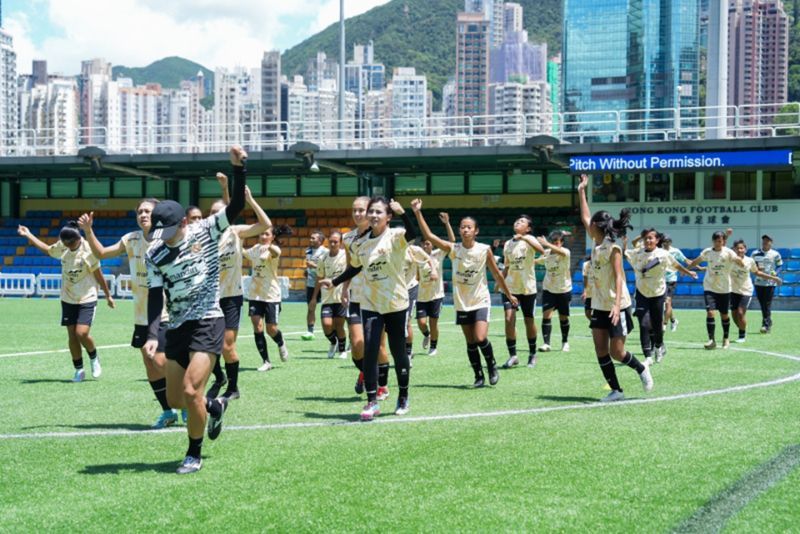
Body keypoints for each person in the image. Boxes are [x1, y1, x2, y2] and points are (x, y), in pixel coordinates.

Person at [143, 146, 247, 474]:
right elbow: (156, 295)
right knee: (177, 399)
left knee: (191, 390)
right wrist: (150, 333)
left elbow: (238, 206)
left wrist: (239, 168)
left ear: (185, 222)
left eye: (169, 231)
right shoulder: (155, 254)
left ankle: (193, 453)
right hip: (177, 325)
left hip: (208, 319)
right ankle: (215, 407)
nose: (163, 238)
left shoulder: (208, 230)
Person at [78, 200, 179, 428]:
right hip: (141, 315)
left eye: (148, 211)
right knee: (149, 363)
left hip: (165, 312)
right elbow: (102, 253)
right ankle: (167, 411)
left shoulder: (167, 239)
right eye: (140, 211)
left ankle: (186, 401)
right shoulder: (131, 239)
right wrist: (88, 230)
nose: (143, 214)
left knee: (160, 361)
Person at [321, 197, 417, 420]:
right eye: (371, 212)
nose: (373, 215)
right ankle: (372, 401)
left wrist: (404, 213)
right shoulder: (361, 244)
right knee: (370, 351)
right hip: (370, 303)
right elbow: (354, 268)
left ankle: (403, 395)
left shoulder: (395, 236)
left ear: (388, 217)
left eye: (379, 212)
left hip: (395, 303)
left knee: (398, 352)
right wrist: (334, 282)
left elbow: (414, 234)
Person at [411, 198, 518, 388]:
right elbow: (429, 234)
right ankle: (478, 375)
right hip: (462, 302)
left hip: (480, 300)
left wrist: (509, 295)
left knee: (480, 338)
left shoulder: (484, 250)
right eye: (462, 227)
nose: (465, 230)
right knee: (470, 342)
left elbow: (497, 274)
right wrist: (418, 212)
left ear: (476, 231)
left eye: (469, 227)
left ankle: (491, 365)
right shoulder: (454, 249)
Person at [577, 174, 653, 403]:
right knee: (600, 349)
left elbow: (620, 277)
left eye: (591, 226)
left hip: (616, 305)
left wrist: (617, 305)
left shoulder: (614, 249)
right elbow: (585, 217)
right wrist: (581, 190)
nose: (588, 227)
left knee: (616, 352)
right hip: (599, 305)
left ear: (598, 228)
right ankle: (616, 390)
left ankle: (641, 368)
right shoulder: (596, 243)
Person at [18, 221, 115, 382]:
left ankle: (94, 357)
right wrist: (28, 234)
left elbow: (99, 274)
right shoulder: (62, 246)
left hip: (87, 297)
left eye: (71, 242)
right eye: (66, 243)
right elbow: (47, 249)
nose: (68, 245)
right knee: (72, 335)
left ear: (79, 238)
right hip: (68, 297)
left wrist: (108, 295)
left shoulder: (88, 251)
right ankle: (79, 370)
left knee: (81, 333)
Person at [205, 174, 273, 400]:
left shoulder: (235, 232)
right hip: (208, 298)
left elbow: (265, 225)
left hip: (231, 297)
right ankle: (219, 377)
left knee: (226, 346)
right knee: (205, 346)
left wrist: (251, 201)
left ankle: (232, 387)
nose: (216, 215)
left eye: (219, 212)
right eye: (212, 213)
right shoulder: (203, 236)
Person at [341, 197, 392, 398]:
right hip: (356, 298)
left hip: (377, 298)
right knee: (357, 345)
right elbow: (350, 266)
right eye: (354, 210)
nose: (358, 214)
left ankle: (383, 386)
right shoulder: (348, 239)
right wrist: (344, 288)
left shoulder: (382, 236)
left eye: (362, 210)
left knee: (378, 346)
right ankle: (365, 371)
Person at [624, 229, 697, 364]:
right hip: (641, 293)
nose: (648, 241)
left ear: (657, 240)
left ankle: (659, 346)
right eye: (646, 238)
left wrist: (688, 273)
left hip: (658, 293)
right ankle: (647, 357)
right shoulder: (637, 253)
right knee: (644, 323)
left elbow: (676, 265)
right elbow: (625, 254)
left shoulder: (663, 254)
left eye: (651, 238)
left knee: (657, 325)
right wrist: (624, 244)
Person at [500, 215, 546, 369]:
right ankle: (513, 355)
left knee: (529, 321)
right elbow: (506, 266)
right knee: (509, 319)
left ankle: (532, 353)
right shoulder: (507, 244)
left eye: (522, 222)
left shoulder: (530, 240)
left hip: (527, 288)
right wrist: (501, 280)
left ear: (528, 228)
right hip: (510, 288)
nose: (517, 222)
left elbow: (541, 251)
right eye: (516, 220)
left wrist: (524, 238)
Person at [687, 230, 745, 350]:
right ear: (713, 241)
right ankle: (711, 340)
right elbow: (696, 261)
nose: (718, 243)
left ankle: (725, 338)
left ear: (723, 241)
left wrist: (739, 261)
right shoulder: (707, 252)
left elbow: (739, 261)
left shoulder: (728, 252)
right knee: (710, 312)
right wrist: (686, 270)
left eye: (721, 241)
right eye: (716, 241)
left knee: (724, 315)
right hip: (709, 286)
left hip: (724, 288)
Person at [246, 226, 292, 371]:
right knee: (257, 326)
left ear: (272, 237)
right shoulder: (255, 248)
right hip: (255, 294)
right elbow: (244, 253)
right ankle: (266, 361)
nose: (263, 236)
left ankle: (280, 342)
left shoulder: (274, 250)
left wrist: (270, 245)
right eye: (261, 234)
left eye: (266, 234)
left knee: (271, 329)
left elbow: (275, 252)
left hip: (271, 295)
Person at [730, 239, 782, 343]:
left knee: (740, 313)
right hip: (732, 290)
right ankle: (742, 326)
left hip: (746, 290)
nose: (740, 250)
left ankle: (742, 336)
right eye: (737, 248)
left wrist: (774, 278)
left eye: (742, 248)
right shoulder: (730, 260)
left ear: (745, 249)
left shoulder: (750, 260)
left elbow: (757, 272)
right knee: (734, 315)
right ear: (734, 249)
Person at [313, 231, 349, 359]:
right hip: (327, 297)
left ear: (340, 243)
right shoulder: (323, 258)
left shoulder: (346, 256)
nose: (333, 244)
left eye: (336, 242)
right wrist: (314, 297)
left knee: (339, 325)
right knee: (327, 325)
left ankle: (342, 350)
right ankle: (333, 342)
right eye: (331, 241)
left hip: (341, 297)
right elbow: (319, 276)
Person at [536, 231, 573, 352]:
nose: (555, 245)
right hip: (549, 289)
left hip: (564, 289)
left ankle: (565, 342)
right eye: (553, 242)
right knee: (546, 315)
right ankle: (546, 344)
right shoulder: (546, 253)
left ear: (561, 243)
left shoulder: (565, 252)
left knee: (563, 317)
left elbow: (561, 251)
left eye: (558, 242)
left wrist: (546, 243)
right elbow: (537, 261)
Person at [403, 241, 435, 364]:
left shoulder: (414, 250)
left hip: (410, 288)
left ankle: (408, 353)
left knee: (406, 322)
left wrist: (434, 271)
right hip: (394, 290)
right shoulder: (389, 248)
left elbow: (429, 259)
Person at [416, 238, 445, 356]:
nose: (425, 246)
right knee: (421, 322)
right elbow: (416, 276)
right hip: (421, 296)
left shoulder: (438, 254)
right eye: (423, 244)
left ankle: (433, 347)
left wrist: (447, 223)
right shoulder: (418, 257)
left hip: (436, 295)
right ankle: (427, 335)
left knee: (433, 323)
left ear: (432, 245)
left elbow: (452, 240)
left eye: (427, 244)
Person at [751, 235, 783, 334]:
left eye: (767, 241)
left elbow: (780, 265)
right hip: (758, 282)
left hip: (770, 283)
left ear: (771, 242)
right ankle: (768, 321)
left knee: (767, 304)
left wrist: (776, 273)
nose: (765, 242)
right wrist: (755, 269)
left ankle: (765, 325)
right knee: (762, 304)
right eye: (764, 240)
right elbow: (751, 265)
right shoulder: (755, 253)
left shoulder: (775, 254)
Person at [302, 231, 328, 340]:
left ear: (320, 241)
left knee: (328, 308)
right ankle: (310, 331)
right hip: (311, 283)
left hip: (324, 283)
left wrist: (314, 266)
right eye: (310, 238)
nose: (310, 240)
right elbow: (309, 265)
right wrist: (307, 270)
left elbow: (328, 268)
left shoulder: (326, 252)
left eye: (313, 238)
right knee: (311, 307)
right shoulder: (307, 250)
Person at [661, 235, 689, 332]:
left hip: (671, 280)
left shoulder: (675, 252)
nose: (666, 243)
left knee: (667, 302)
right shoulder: (659, 251)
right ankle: (673, 320)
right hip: (660, 281)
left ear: (670, 242)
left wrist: (697, 267)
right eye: (664, 241)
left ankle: (664, 324)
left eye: (668, 241)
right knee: (665, 304)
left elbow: (686, 260)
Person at [581, 256, 593, 321]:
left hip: (599, 292)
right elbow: (585, 278)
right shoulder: (585, 264)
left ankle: (598, 327)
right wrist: (585, 291)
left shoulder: (601, 264)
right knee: (587, 313)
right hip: (589, 292)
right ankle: (595, 325)